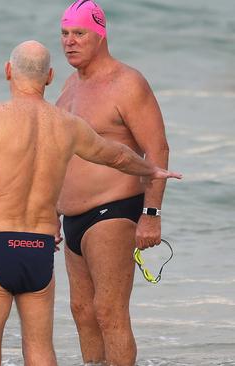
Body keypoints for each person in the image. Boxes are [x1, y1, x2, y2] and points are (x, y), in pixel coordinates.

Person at [0, 40, 181, 366]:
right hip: (38, 251)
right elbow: (116, 156)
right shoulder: (68, 125)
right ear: (50, 77)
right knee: (41, 352)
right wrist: (153, 169)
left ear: (8, 71)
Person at [57, 1, 171, 364]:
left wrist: (151, 213)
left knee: (109, 313)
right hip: (71, 217)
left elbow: (157, 149)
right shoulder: (70, 85)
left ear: (100, 35)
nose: (69, 42)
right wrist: (47, 212)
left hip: (114, 210)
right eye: (64, 34)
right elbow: (57, 155)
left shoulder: (127, 83)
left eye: (79, 34)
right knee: (82, 311)